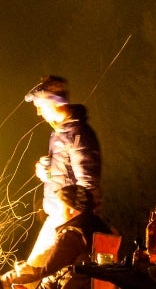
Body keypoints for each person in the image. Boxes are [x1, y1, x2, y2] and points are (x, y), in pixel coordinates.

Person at [23, 74, 108, 270]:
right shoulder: (60, 132)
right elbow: (66, 175)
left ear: (55, 102)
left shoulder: (78, 134)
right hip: (57, 218)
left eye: (40, 105)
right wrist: (48, 173)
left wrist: (73, 225)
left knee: (32, 274)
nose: (38, 112)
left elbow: (88, 185)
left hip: (67, 221)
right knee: (34, 276)